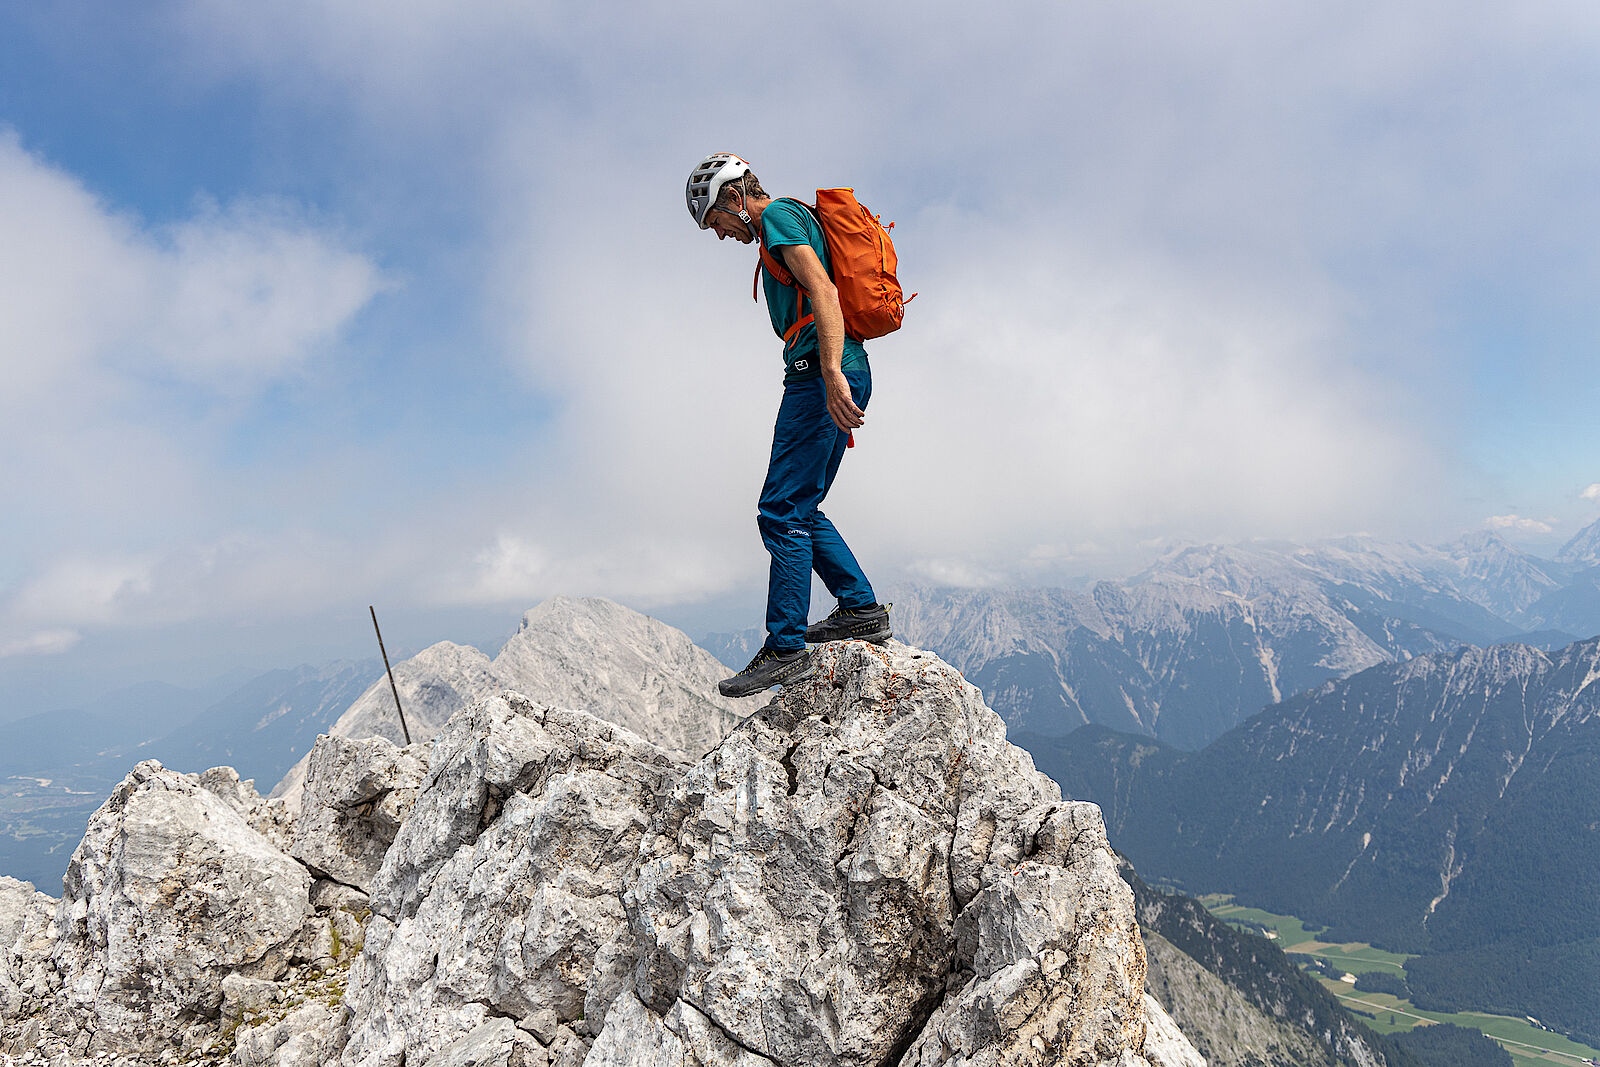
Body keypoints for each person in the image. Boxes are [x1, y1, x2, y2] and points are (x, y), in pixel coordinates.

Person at [685, 153, 893, 698]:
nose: (719, 234)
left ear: (733, 198)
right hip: (840, 367)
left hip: (820, 373)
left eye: (715, 221)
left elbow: (823, 291)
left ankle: (785, 648)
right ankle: (862, 611)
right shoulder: (789, 219)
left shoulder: (776, 217)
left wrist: (827, 375)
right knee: (801, 506)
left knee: (778, 511)